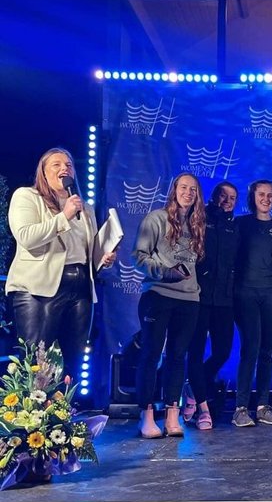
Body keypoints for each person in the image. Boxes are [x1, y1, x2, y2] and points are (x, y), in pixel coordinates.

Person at [6, 147, 116, 377]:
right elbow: (27, 237)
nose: (64, 168)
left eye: (68, 165)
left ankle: (64, 409)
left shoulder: (83, 208)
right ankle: (34, 412)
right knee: (38, 359)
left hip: (81, 287)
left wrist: (103, 257)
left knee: (73, 358)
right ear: (43, 173)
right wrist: (64, 215)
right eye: (56, 164)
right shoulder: (27, 196)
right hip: (39, 287)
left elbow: (86, 250)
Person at [132, 172, 205, 439]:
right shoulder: (156, 218)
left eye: (193, 190)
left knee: (178, 356)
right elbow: (138, 257)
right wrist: (165, 272)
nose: (188, 193)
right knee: (151, 354)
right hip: (158, 296)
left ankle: (173, 415)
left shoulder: (198, 224)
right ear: (174, 189)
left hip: (189, 300)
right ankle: (147, 415)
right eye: (184, 187)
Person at [183, 181, 240, 431]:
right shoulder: (198, 220)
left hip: (225, 301)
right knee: (194, 353)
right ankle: (203, 409)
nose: (228, 201)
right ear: (214, 196)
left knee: (223, 352)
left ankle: (194, 387)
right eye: (223, 196)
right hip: (198, 298)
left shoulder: (235, 227)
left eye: (233, 198)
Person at [231, 179, 272, 428]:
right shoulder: (240, 223)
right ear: (253, 197)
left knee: (267, 351)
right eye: (261, 194)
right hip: (245, 292)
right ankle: (240, 408)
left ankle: (263, 406)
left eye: (270, 195)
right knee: (250, 348)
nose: (266, 198)